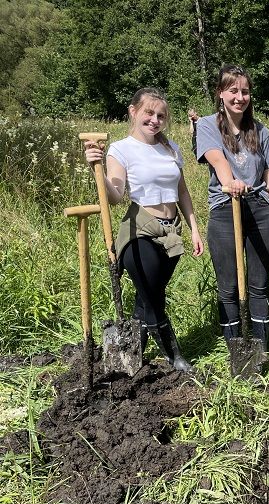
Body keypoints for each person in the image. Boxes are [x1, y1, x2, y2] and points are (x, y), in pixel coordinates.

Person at [83, 87, 204, 372]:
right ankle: (174, 357)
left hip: (170, 232)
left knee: (146, 297)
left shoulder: (170, 148)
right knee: (153, 295)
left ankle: (127, 356)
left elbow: (182, 192)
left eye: (161, 115)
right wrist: (97, 169)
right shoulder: (121, 149)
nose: (155, 119)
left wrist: (195, 228)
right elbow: (114, 195)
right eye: (148, 112)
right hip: (139, 231)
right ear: (133, 111)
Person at [195, 64, 269, 350]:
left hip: (260, 211)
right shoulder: (207, 126)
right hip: (225, 208)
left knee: (258, 286)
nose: (240, 97)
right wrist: (231, 182)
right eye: (233, 90)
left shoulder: (260, 130)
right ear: (221, 93)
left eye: (244, 91)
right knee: (229, 287)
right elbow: (218, 160)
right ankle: (235, 347)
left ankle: (259, 348)